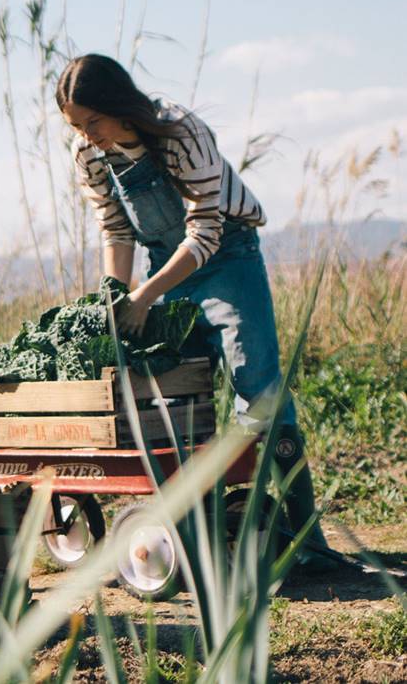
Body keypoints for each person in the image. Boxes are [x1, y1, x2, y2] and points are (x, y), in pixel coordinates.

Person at [56, 53, 334, 572]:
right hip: (165, 265)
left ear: (118, 106)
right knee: (179, 393)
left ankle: (309, 541)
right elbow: (116, 232)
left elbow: (205, 231)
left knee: (260, 390)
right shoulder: (88, 155)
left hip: (227, 257)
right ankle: (211, 527)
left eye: (92, 121)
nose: (86, 135)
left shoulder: (180, 132)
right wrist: (117, 299)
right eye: (76, 126)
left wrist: (145, 296)